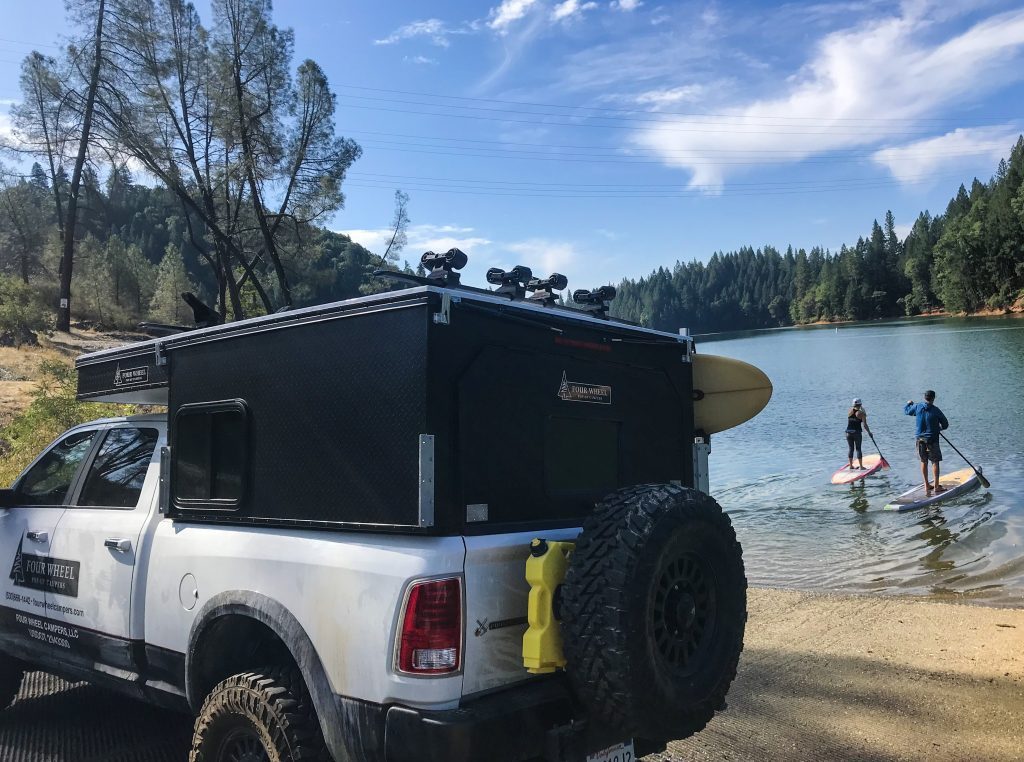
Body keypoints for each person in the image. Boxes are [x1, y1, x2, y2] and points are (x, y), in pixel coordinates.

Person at [904, 390, 949, 494]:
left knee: (923, 461)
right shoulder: (936, 410)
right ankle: (936, 486)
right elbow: (945, 425)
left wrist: (908, 403)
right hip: (932, 439)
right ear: (933, 398)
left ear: (925, 398)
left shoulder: (917, 406)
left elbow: (907, 411)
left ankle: (926, 485)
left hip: (919, 439)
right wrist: (939, 428)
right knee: (935, 462)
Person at [845, 398, 872, 469]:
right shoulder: (861, 413)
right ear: (860, 404)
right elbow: (865, 425)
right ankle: (861, 466)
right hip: (856, 433)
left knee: (851, 449)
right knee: (858, 449)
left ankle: (851, 466)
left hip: (848, 432)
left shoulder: (849, 411)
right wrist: (869, 432)